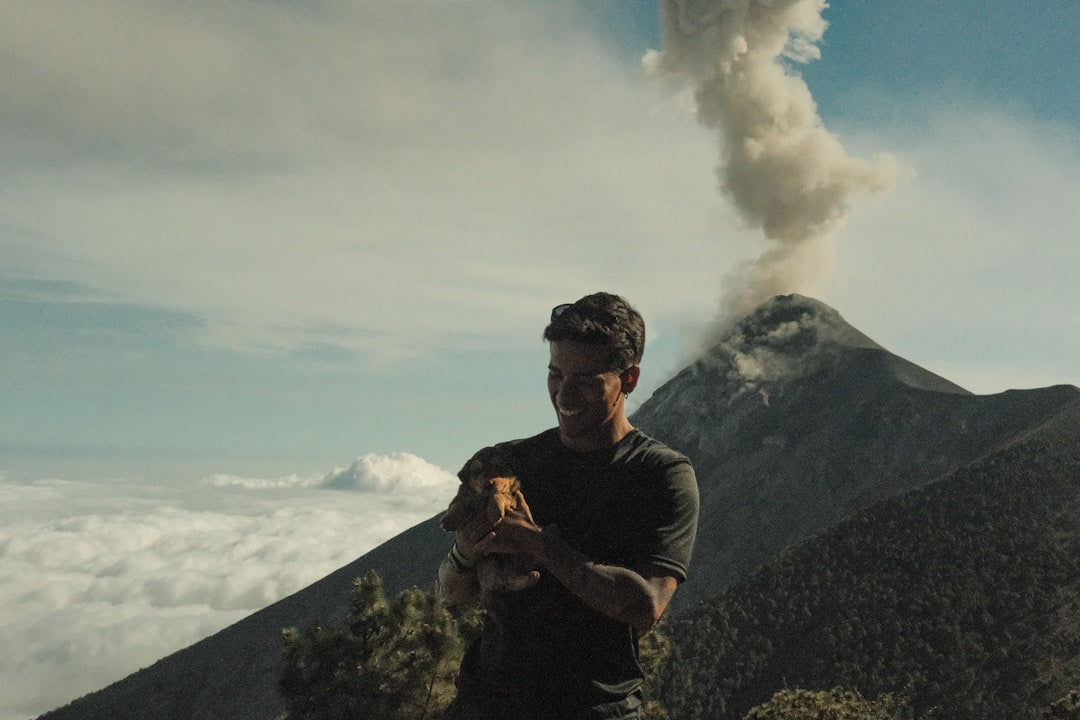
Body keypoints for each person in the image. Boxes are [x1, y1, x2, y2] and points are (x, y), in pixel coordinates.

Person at [438, 292, 700, 720]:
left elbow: (646, 606)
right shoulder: (510, 462)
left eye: (586, 380)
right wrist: (465, 552)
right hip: (486, 705)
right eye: (555, 375)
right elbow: (450, 592)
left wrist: (537, 543)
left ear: (629, 380)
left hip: (595, 709)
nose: (564, 395)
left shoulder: (660, 474)